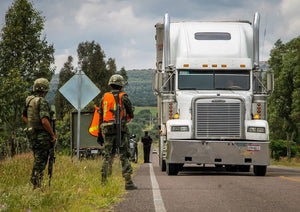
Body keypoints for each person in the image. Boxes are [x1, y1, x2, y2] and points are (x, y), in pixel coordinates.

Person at [98, 74, 137, 190]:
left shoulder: (104, 97)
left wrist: (100, 133)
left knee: (108, 156)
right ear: (121, 86)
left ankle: (104, 182)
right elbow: (131, 113)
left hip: (108, 131)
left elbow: (100, 115)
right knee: (124, 155)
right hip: (122, 131)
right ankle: (128, 182)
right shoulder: (124, 97)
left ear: (111, 84)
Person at [22, 78, 56, 189]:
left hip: (33, 135)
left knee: (38, 159)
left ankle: (36, 184)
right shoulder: (42, 102)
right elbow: (44, 120)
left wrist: (33, 126)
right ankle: (35, 185)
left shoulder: (30, 101)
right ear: (45, 90)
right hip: (42, 136)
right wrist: (52, 134)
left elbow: (24, 116)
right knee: (41, 162)